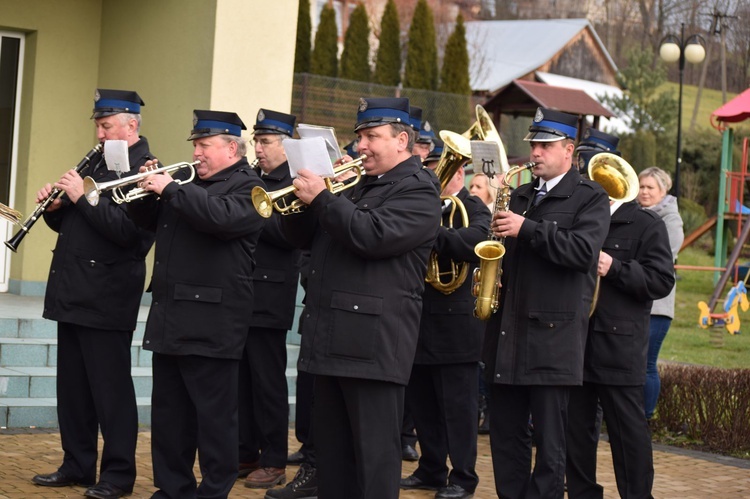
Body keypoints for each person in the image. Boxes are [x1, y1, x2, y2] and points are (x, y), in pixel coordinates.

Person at [279, 97, 441, 499]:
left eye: (372, 136)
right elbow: (299, 239)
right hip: (332, 338)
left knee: (373, 463)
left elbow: (373, 236)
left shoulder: (419, 190)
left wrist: (323, 198)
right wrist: (303, 200)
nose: (361, 146)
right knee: (333, 462)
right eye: (360, 137)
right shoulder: (355, 185)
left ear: (402, 140)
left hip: (374, 349)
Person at [127, 110, 266, 498]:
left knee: (215, 418)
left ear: (231, 148)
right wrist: (145, 190)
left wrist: (170, 189)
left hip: (214, 321)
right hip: (171, 314)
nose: (198, 153)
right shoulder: (188, 182)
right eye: (196, 146)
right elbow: (149, 222)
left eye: (204, 146)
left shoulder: (250, 188)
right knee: (170, 416)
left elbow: (219, 219)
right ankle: (173, 489)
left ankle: (214, 490)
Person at [30, 89, 156, 499]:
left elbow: (130, 236)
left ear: (131, 125)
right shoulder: (99, 161)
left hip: (108, 295)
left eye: (106, 126)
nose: (99, 134)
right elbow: (79, 227)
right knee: (74, 389)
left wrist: (81, 197)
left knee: (110, 392)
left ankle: (118, 476)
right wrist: (55, 210)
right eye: (98, 126)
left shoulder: (146, 170)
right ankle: (77, 464)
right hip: (73, 291)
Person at [482, 108, 610, 499]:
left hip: (552, 341)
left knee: (550, 449)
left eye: (544, 145)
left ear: (568, 150)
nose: (534, 152)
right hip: (507, 334)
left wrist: (528, 228)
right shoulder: (519, 194)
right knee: (505, 440)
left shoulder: (590, 197)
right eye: (533, 144)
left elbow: (583, 253)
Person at [565, 131, 675, 498]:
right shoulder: (576, 218)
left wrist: (615, 268)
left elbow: (661, 280)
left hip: (619, 347)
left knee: (628, 436)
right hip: (576, 341)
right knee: (575, 433)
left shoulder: (646, 224)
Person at [400, 155, 491, 499]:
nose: (439, 177)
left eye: (446, 171)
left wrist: (432, 232)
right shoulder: (424, 204)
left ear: (461, 174)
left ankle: (464, 478)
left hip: (457, 325)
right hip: (420, 317)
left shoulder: (474, 206)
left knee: (459, 409)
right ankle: (432, 469)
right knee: (423, 403)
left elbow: (476, 242)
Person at [238, 109, 301, 489]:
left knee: (267, 383)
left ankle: (274, 458)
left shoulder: (294, 181)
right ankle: (245, 452)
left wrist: (249, 213)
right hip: (241, 290)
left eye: (266, 142)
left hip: (270, 294)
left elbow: (288, 234)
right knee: (239, 381)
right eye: (256, 142)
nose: (258, 149)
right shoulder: (253, 178)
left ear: (286, 145)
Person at [638, 166, 684, 420]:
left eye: (649, 188)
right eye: (641, 187)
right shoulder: (638, 214)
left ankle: (645, 416)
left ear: (663, 190)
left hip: (658, 305)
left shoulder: (671, 220)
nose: (644, 192)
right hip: (637, 299)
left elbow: (663, 257)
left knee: (647, 364)